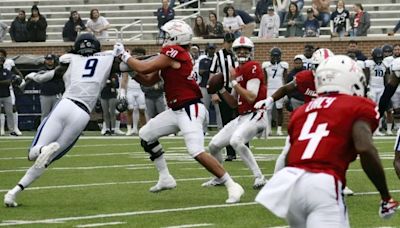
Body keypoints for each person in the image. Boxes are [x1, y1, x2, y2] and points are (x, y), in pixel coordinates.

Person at [256, 54, 400, 227]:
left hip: (290, 182)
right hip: (323, 184)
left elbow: (291, 155)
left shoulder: (303, 110)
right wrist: (385, 196)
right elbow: (365, 148)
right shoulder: (357, 105)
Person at [113, 19, 244, 203]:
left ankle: (232, 184)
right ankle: (165, 178)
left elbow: (145, 66)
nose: (164, 39)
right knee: (146, 135)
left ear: (176, 37)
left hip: (190, 108)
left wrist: (125, 56)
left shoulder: (175, 53)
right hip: (176, 109)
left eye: (167, 35)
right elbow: (149, 79)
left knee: (195, 151)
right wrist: (132, 71)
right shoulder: (175, 55)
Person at [3, 33, 133, 207]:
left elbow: (46, 77)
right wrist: (125, 53)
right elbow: (131, 67)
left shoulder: (69, 60)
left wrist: (31, 76)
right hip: (82, 114)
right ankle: (14, 192)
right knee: (46, 160)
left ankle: (38, 156)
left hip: (65, 104)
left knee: (33, 153)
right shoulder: (107, 59)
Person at [203, 36, 267, 189]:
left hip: (257, 114)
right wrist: (220, 89)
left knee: (236, 141)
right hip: (243, 116)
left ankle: (260, 177)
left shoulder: (253, 66)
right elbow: (233, 103)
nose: (242, 52)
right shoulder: (237, 71)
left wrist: (234, 82)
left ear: (251, 51)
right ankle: (219, 177)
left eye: (246, 49)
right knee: (213, 145)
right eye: (239, 49)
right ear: (234, 52)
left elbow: (251, 97)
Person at [209, 32, 238, 161]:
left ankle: (243, 148)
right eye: (228, 42)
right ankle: (230, 152)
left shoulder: (239, 54)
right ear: (224, 42)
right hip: (224, 89)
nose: (230, 44)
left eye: (232, 42)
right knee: (227, 122)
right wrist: (214, 92)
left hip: (239, 90)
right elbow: (212, 74)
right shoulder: (218, 55)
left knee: (241, 120)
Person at [119, 48, 147, 136]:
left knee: (142, 110)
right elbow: (124, 78)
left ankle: (143, 129)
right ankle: (129, 129)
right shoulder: (128, 64)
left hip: (140, 90)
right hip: (131, 89)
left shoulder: (143, 64)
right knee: (130, 110)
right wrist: (122, 92)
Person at [262, 47, 288, 136]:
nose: (275, 58)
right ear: (270, 56)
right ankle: (268, 129)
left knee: (279, 109)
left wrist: (285, 91)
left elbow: (285, 79)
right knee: (268, 110)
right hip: (269, 89)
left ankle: (279, 129)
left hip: (279, 88)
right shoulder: (266, 65)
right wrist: (264, 91)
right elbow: (265, 80)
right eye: (274, 56)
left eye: (277, 56)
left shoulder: (283, 65)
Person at [365, 48, 389, 136]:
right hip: (372, 87)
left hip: (381, 88)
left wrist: (387, 89)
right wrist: (367, 88)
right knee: (372, 108)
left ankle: (377, 129)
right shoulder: (369, 63)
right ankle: (370, 128)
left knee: (380, 109)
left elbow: (386, 78)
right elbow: (366, 76)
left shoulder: (385, 64)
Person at [0, 49, 23, 136]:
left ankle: (15, 128)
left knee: (13, 108)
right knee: (1, 110)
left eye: (1, 55)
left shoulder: (9, 62)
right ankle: (1, 129)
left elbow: (16, 71)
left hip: (8, 89)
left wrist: (21, 79)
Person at [38, 54, 64, 121]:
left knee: (57, 114)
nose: (49, 61)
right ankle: (43, 130)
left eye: (51, 60)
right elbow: (39, 79)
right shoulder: (41, 69)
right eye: (48, 60)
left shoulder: (58, 69)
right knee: (45, 114)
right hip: (45, 95)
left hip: (56, 94)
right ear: (45, 60)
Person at [198, 43, 217, 113]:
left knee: (218, 108)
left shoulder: (217, 60)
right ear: (207, 50)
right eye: (210, 49)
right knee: (204, 107)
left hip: (215, 87)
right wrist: (211, 71)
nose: (211, 50)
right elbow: (200, 72)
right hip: (204, 85)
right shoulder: (203, 60)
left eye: (213, 49)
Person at [0, 56, 16, 136]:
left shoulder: (7, 71)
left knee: (9, 113)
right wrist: (4, 81)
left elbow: (8, 81)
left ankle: (12, 130)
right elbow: (6, 81)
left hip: (6, 95)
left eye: (1, 61)